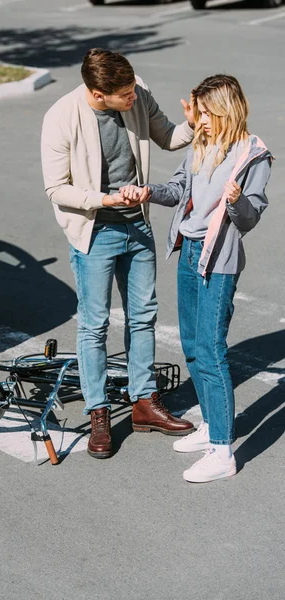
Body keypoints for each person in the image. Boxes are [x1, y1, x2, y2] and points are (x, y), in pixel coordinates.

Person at [41, 48, 195, 459]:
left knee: (143, 316)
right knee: (93, 326)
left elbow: (167, 136)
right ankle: (99, 413)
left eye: (133, 89)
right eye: (124, 94)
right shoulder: (61, 116)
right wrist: (104, 201)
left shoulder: (137, 92)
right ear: (97, 93)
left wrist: (194, 124)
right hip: (95, 231)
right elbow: (56, 188)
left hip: (137, 225)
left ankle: (144, 403)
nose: (134, 97)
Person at [120, 74, 273, 481]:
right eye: (199, 113)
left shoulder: (252, 155)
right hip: (189, 251)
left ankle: (223, 453)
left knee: (210, 350)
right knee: (191, 345)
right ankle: (210, 427)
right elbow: (177, 188)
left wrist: (238, 201)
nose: (200, 121)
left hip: (217, 259)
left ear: (226, 110)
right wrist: (147, 191)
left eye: (207, 114)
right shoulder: (203, 145)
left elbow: (250, 218)